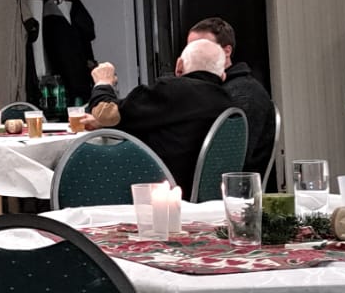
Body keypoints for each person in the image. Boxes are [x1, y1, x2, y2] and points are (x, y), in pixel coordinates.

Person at [86, 38, 236, 194]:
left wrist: (103, 83)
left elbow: (105, 113)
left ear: (179, 66)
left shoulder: (170, 90)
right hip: (205, 192)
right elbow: (171, 129)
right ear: (223, 75)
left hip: (160, 187)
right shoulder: (226, 101)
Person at [186, 17, 274, 176]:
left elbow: (229, 159)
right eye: (190, 50)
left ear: (227, 51)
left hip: (234, 185)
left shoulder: (244, 94)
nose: (195, 56)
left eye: (203, 48)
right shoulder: (209, 90)